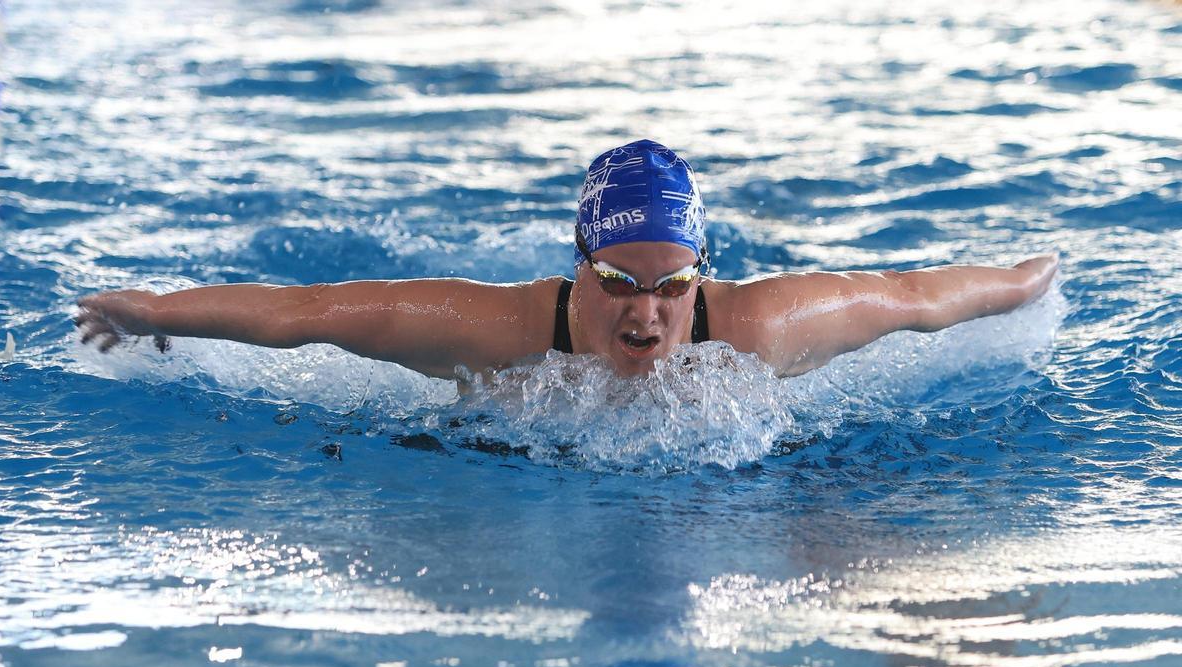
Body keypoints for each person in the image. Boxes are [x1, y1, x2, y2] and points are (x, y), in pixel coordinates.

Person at [75, 139, 1058, 381]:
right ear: (578, 267)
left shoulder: (755, 324)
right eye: (620, 283)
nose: (648, 314)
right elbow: (312, 311)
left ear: (702, 271)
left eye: (674, 284)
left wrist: (1024, 281)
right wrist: (155, 309)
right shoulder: (499, 329)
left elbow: (917, 297)